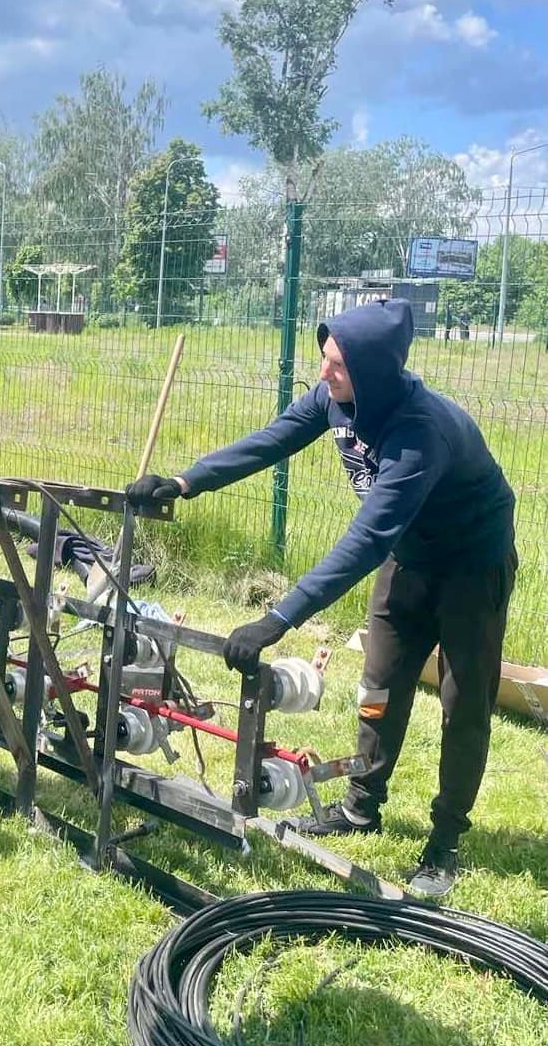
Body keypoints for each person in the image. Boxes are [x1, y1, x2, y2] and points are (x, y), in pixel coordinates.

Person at [126, 299, 516, 896]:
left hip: (470, 566)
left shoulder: (420, 432)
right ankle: (361, 805)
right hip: (409, 557)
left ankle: (445, 843)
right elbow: (272, 440)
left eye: (337, 363)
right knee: (380, 687)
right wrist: (186, 481)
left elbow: (366, 540)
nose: (325, 372)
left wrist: (278, 618)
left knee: (464, 706)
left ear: (376, 372)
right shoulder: (334, 399)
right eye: (324, 358)